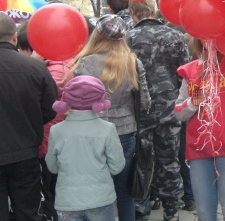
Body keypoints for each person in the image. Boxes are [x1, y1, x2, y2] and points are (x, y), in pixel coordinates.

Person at [71, 14, 151, 221]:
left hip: (93, 133)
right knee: (124, 192)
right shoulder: (133, 62)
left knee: (98, 191)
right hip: (125, 132)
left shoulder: (85, 63)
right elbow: (145, 103)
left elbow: (77, 104)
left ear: (97, 36)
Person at [174, 37, 225, 221]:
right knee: (204, 213)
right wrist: (194, 102)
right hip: (199, 150)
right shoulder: (190, 70)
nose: (209, 37)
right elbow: (178, 112)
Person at [126, 0, 191, 221]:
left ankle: (141, 209)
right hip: (169, 109)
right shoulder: (175, 36)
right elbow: (185, 73)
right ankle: (172, 210)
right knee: (170, 160)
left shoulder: (128, 38)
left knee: (141, 161)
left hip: (140, 111)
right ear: (153, 10)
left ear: (132, 12)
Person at [0, 12, 58, 221]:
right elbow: (50, 109)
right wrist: (29, 122)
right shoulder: (35, 68)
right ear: (15, 37)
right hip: (26, 152)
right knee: (28, 212)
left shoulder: (35, 68)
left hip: (24, 149)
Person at [45, 75, 126, 220]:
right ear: (100, 101)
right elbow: (117, 166)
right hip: (101, 198)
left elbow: (52, 167)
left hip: (67, 200)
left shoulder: (56, 131)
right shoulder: (107, 129)